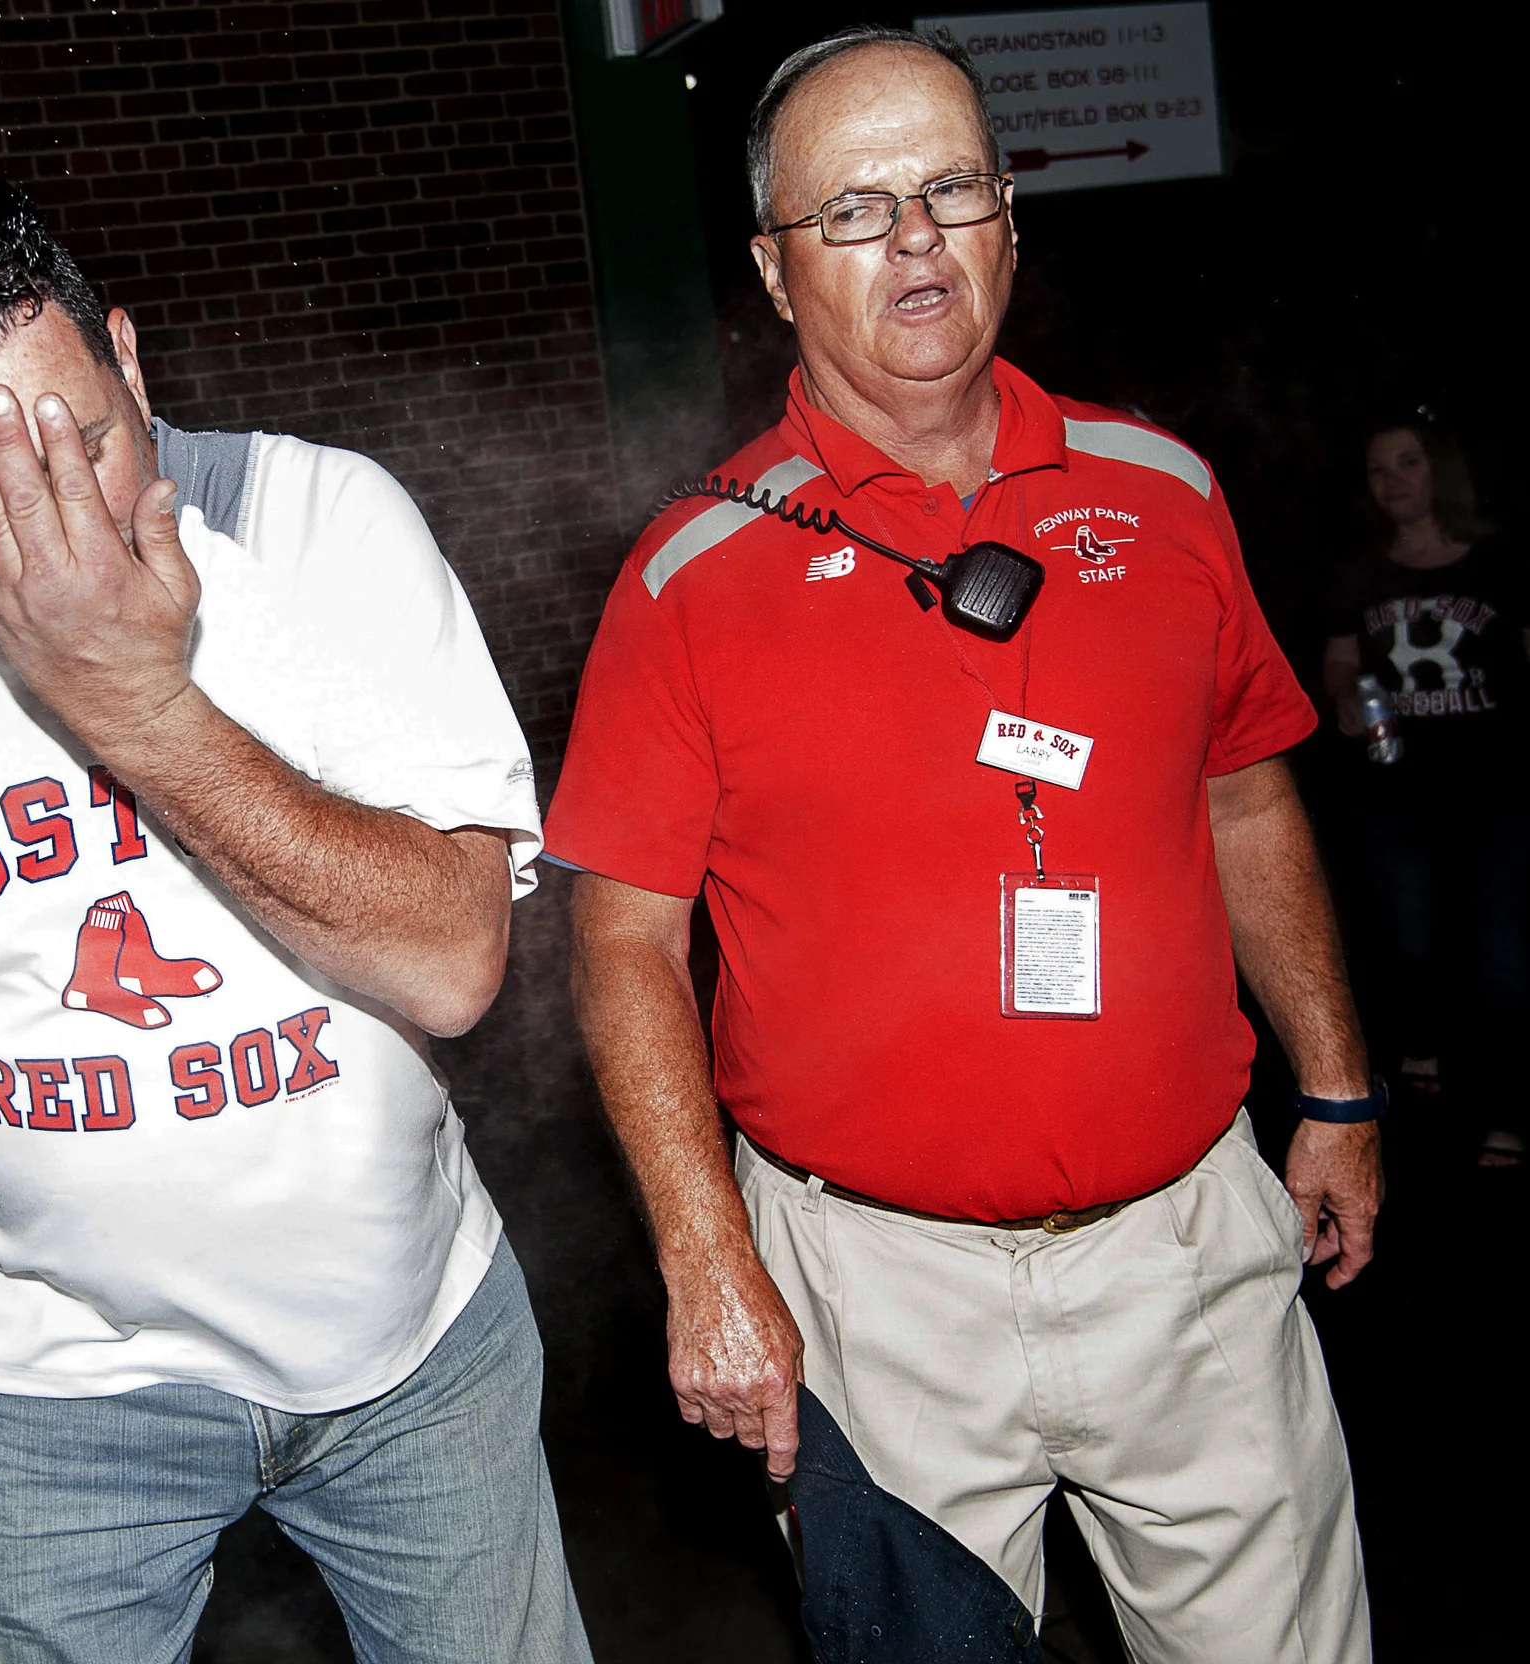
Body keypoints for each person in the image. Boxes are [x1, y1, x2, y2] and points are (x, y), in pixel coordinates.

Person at [0, 175, 590, 1663]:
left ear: (131, 360)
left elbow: (456, 960)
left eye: (76, 445)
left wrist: (134, 703)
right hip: (48, 1400)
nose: (49, 533)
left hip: (413, 1352)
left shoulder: (324, 529)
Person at [546, 26, 1380, 1662]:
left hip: (1189, 1255)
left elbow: (1247, 789)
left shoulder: (1165, 493)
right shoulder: (689, 578)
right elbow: (621, 938)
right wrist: (708, 1257)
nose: (914, 235)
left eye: (951, 187)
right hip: (872, 1299)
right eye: (852, 209)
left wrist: (1337, 1085)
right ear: (778, 274)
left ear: (1010, 220)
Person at [1323, 413, 1527, 1166]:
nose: (1393, 481)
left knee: (1500, 951)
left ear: (1438, 468)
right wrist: (1344, 696)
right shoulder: (1361, 573)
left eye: (1407, 463)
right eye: (1379, 470)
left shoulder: (1498, 563)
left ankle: (1507, 1111)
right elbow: (1341, 662)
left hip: (1495, 787)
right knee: (1412, 938)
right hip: (1397, 790)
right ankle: (1423, 1058)